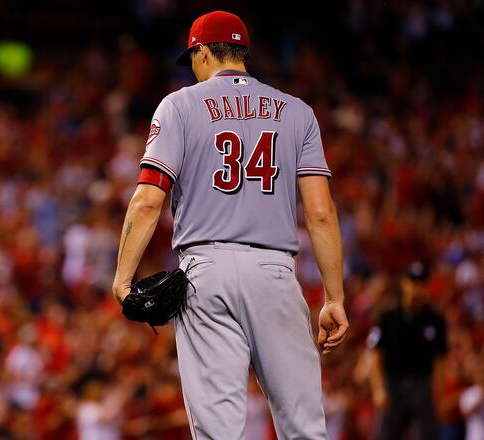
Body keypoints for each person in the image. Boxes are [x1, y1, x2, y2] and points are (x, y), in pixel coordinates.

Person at [111, 10, 348, 439]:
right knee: (304, 428)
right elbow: (320, 213)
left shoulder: (179, 105)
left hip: (206, 271)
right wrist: (334, 297)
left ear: (201, 51)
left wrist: (123, 279)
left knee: (218, 432)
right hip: (275, 272)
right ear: (242, 53)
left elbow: (147, 202)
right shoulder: (297, 112)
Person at [367, 262, 448, 440]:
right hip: (393, 384)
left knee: (426, 435)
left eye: (421, 283)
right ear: (404, 283)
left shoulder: (435, 320)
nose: (416, 288)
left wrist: (438, 391)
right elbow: (375, 355)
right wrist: (378, 389)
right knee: (386, 435)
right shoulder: (388, 318)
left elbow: (441, 359)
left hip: (422, 385)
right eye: (413, 282)